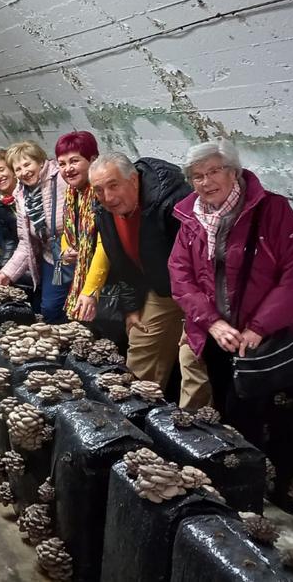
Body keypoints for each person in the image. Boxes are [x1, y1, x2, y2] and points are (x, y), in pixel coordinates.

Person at [169, 139, 293, 425]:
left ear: (233, 171)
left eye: (214, 171)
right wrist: (212, 323)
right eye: (197, 176)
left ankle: (268, 463)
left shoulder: (271, 210)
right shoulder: (191, 218)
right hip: (216, 334)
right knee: (226, 406)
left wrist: (258, 327)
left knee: (267, 415)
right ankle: (236, 461)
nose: (205, 182)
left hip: (262, 337)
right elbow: (180, 275)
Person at [89, 151, 209, 406]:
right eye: (99, 190)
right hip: (160, 286)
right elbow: (121, 260)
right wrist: (131, 306)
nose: (107, 197)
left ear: (133, 181)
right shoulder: (103, 210)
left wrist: (197, 316)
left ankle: (192, 429)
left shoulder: (173, 200)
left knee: (192, 359)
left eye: (113, 186)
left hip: (199, 291)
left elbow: (202, 261)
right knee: (141, 346)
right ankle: (137, 413)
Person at [0, 141, 70, 323]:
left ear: (39, 161)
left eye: (28, 164)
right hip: (53, 259)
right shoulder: (22, 196)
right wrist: (7, 273)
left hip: (77, 255)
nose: (24, 171)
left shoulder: (60, 179)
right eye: (18, 168)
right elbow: (25, 242)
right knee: (50, 308)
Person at [53, 131, 110, 322]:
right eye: (62, 164)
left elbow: (105, 245)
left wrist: (89, 290)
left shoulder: (101, 194)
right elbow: (70, 232)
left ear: (93, 160)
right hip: (89, 275)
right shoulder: (73, 194)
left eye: (74, 161)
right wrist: (65, 251)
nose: (68, 169)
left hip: (111, 280)